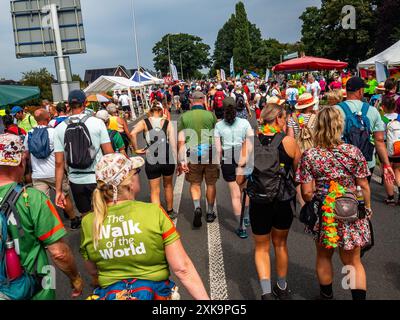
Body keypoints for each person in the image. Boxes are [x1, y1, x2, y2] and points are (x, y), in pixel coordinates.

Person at [80, 153, 210, 300]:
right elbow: (182, 269)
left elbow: (92, 270)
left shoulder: (88, 222)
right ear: (130, 183)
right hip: (154, 293)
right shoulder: (154, 212)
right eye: (136, 172)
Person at [296, 107, 372, 300]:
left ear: (318, 127)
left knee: (324, 256)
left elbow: (306, 192)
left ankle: (327, 295)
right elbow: (363, 185)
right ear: (340, 125)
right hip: (351, 211)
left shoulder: (310, 155)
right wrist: (367, 208)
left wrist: (311, 200)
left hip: (325, 213)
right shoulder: (353, 152)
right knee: (352, 261)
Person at [0, 134, 83, 300]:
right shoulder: (31, 198)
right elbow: (59, 252)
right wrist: (75, 278)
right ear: (21, 162)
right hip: (35, 289)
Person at [237, 103, 301, 300]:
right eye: (285, 118)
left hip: (259, 200)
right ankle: (281, 287)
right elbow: (297, 171)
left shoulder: (250, 142)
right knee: (280, 244)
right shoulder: (289, 141)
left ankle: (265, 292)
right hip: (283, 200)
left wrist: (246, 181)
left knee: (261, 247)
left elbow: (239, 178)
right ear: (279, 119)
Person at [54, 90, 114, 217]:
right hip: (97, 178)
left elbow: (59, 163)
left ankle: (90, 236)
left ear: (68, 105)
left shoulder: (59, 128)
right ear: (85, 103)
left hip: (76, 180)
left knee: (86, 216)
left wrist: (59, 190)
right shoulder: (97, 123)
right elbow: (109, 154)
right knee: (104, 214)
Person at [24, 109, 81, 229]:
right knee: (64, 196)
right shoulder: (53, 132)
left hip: (37, 174)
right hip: (55, 172)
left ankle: (49, 226)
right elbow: (62, 153)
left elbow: (26, 155)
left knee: (42, 202)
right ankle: (73, 220)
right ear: (47, 118)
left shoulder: (29, 134)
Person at [335, 77, 395, 184]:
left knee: (343, 195)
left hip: (341, 162)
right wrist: (387, 164)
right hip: (366, 162)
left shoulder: (334, 110)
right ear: (360, 91)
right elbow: (379, 141)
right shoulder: (372, 111)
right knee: (363, 192)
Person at [178, 91, 219, 228]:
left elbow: (181, 141)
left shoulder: (184, 116)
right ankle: (209, 212)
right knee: (211, 183)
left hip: (193, 153)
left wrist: (181, 161)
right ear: (203, 100)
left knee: (195, 183)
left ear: (191, 100)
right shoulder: (210, 115)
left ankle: (197, 207)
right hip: (210, 153)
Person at [214, 97, 254, 238]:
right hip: (243, 156)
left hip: (228, 159)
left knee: (235, 195)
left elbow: (218, 149)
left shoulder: (218, 126)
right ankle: (247, 216)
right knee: (245, 191)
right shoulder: (244, 123)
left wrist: (219, 163)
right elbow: (250, 141)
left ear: (222, 109)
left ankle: (241, 227)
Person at [130, 101, 177, 219]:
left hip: (152, 156)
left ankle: (157, 215)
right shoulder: (167, 123)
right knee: (168, 185)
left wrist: (136, 149)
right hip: (166, 156)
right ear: (161, 111)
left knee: (154, 190)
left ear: (150, 111)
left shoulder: (144, 122)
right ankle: (170, 211)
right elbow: (172, 142)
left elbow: (132, 133)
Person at [381, 96, 400, 205]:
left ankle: (391, 197)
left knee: (388, 171)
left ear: (383, 107)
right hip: (399, 148)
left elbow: (380, 137)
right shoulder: (399, 117)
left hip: (388, 150)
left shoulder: (382, 119)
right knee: (397, 170)